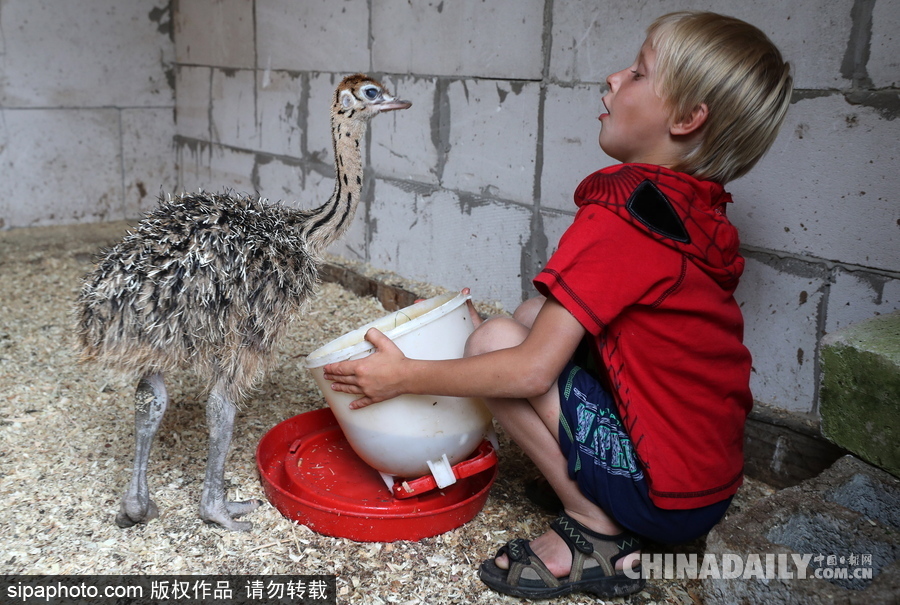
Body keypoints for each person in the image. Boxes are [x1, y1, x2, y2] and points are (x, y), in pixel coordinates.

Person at [323, 10, 793, 600]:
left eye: (639, 72)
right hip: (707, 483)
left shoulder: (623, 217)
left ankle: (595, 529)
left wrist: (404, 377)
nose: (614, 77)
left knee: (497, 345)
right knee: (525, 319)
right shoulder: (691, 209)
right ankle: (607, 490)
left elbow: (528, 371)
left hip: (664, 500)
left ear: (686, 117)